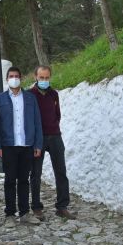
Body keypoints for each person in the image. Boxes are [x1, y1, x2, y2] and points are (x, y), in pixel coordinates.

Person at [0, 66, 43, 227]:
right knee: (9, 180)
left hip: (27, 144)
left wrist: (38, 144)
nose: (14, 78)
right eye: (11, 76)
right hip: (8, 145)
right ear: (7, 80)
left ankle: (25, 213)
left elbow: (37, 122)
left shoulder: (29, 98)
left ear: (21, 78)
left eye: (17, 76)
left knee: (24, 180)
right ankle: (10, 214)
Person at [29, 65, 77, 220]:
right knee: (36, 174)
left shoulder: (54, 94)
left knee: (61, 172)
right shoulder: (29, 95)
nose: (44, 80)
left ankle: (62, 206)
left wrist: (54, 128)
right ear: (35, 77)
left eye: (47, 77)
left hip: (55, 136)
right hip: (38, 138)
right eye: (41, 77)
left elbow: (57, 115)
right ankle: (36, 207)